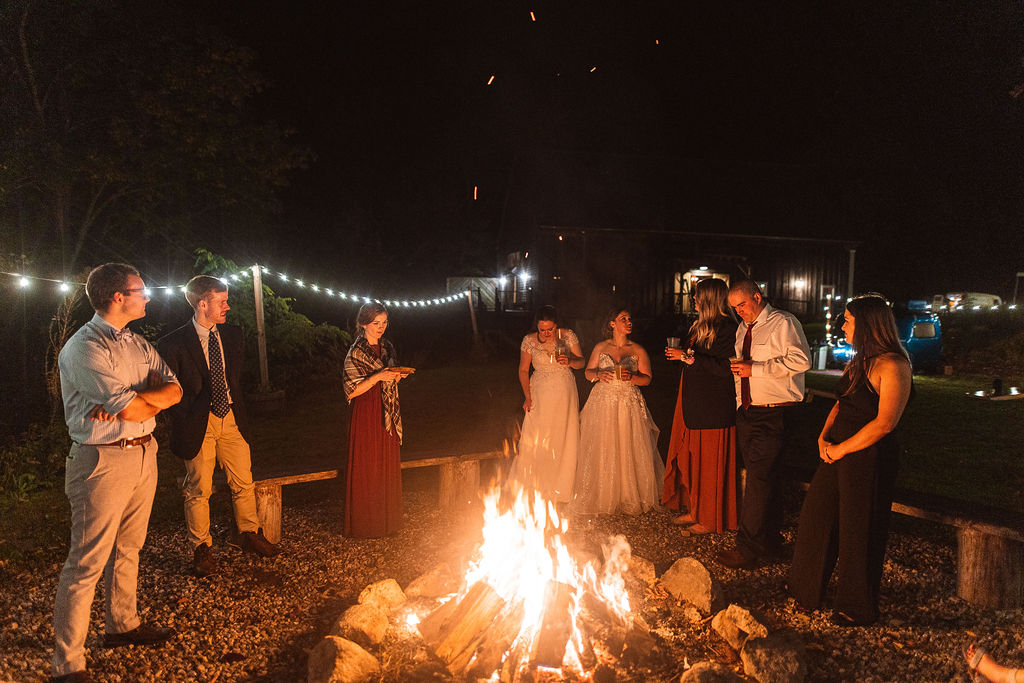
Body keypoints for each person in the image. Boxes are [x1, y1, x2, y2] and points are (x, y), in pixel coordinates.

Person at [52, 263, 183, 682]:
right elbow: (128, 408)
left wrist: (138, 401)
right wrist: (139, 403)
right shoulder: (83, 348)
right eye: (141, 290)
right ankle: (67, 663)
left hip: (145, 452)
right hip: (101, 460)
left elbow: (175, 390)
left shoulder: (139, 343)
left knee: (130, 546)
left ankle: (121, 625)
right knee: (87, 560)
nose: (149, 296)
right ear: (117, 297)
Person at [787, 294, 912, 626]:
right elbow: (841, 403)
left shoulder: (894, 365)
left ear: (867, 324)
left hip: (868, 457)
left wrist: (842, 449)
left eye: (847, 319)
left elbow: (885, 422)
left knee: (860, 529)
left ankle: (856, 606)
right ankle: (805, 589)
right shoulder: (860, 361)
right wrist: (823, 437)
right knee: (817, 516)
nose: (842, 325)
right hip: (837, 450)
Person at [158, 275, 279, 578]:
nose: (228, 306)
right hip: (199, 422)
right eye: (221, 301)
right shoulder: (173, 343)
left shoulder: (233, 335)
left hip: (231, 418)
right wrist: (188, 414)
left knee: (244, 480)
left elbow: (234, 378)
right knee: (199, 487)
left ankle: (249, 534)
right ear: (202, 304)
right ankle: (201, 548)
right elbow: (168, 389)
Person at [717, 280, 810, 570]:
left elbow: (801, 360)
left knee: (757, 479)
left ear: (757, 297)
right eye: (734, 308)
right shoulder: (743, 329)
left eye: (742, 305)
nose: (739, 312)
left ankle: (747, 549)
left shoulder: (783, 322)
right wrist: (739, 404)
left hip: (774, 413)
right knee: (765, 478)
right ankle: (769, 541)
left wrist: (755, 370)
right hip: (749, 412)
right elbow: (739, 371)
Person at [661, 278, 739, 534]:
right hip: (693, 402)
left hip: (713, 407)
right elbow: (695, 360)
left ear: (708, 299)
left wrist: (686, 357)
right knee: (689, 458)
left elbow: (725, 367)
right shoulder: (698, 326)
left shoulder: (727, 327)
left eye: (696, 295)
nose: (693, 299)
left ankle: (709, 518)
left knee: (708, 465)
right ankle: (695, 509)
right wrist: (682, 356)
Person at [574, 308, 664, 515]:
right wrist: (598, 373)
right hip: (603, 400)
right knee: (604, 442)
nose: (629, 322)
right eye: (623, 319)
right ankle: (604, 492)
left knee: (627, 442)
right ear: (612, 323)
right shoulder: (601, 347)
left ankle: (628, 494)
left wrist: (632, 378)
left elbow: (647, 379)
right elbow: (587, 372)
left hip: (627, 402)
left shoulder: (638, 350)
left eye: (630, 318)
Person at [343, 303, 406, 537]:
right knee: (368, 464)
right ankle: (366, 525)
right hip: (366, 410)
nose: (381, 328)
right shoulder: (356, 351)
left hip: (386, 409)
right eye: (376, 323)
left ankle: (387, 522)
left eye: (384, 323)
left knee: (386, 462)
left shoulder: (387, 347)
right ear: (363, 324)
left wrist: (395, 377)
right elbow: (350, 391)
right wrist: (379, 377)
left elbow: (389, 375)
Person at [510, 305, 585, 502]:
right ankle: (535, 486)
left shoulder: (568, 336)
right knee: (539, 436)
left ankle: (562, 487)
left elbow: (581, 363)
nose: (546, 333)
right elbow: (523, 370)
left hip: (564, 391)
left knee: (564, 434)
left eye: (549, 329)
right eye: (542, 329)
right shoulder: (529, 340)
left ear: (556, 325)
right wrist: (528, 396)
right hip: (540, 392)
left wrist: (569, 360)